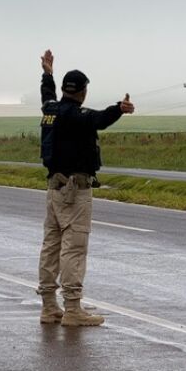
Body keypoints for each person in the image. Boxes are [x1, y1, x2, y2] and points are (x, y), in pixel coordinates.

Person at [36, 49, 134, 326]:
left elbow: (46, 96)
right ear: (82, 91)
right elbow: (99, 119)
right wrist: (120, 109)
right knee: (74, 248)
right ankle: (73, 308)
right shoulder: (76, 115)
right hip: (74, 190)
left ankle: (48, 306)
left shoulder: (51, 110)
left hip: (53, 188)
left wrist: (47, 74)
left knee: (50, 247)